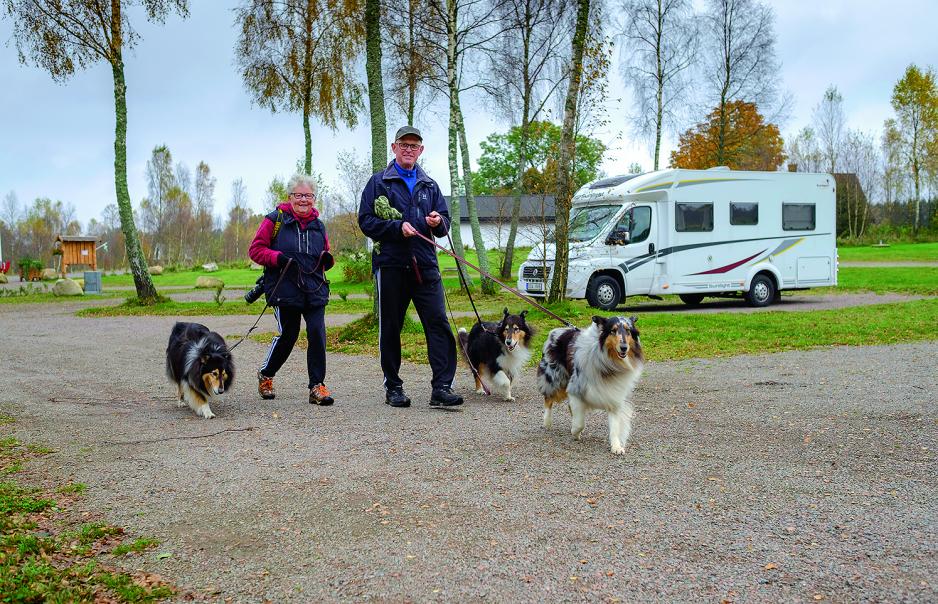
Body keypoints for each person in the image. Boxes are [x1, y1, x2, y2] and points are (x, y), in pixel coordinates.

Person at [358, 126, 463, 409]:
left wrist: (437, 222)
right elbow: (366, 221)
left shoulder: (430, 185)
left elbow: (445, 223)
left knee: (438, 324)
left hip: (426, 265)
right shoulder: (378, 182)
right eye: (403, 144)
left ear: (421, 150)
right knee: (391, 327)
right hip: (391, 265)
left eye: (414, 146)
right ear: (394, 148)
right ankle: (393, 387)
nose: (408, 149)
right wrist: (396, 228)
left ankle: (442, 387)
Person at [249, 173, 335, 406]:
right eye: (299, 195)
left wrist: (327, 260)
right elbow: (255, 250)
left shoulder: (319, 226)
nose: (304, 200)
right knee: (289, 334)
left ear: (314, 199)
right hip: (285, 288)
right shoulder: (275, 219)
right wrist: (277, 258)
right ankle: (266, 374)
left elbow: (324, 251)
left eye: (308, 196)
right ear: (290, 197)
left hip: (314, 288)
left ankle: (317, 386)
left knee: (317, 332)